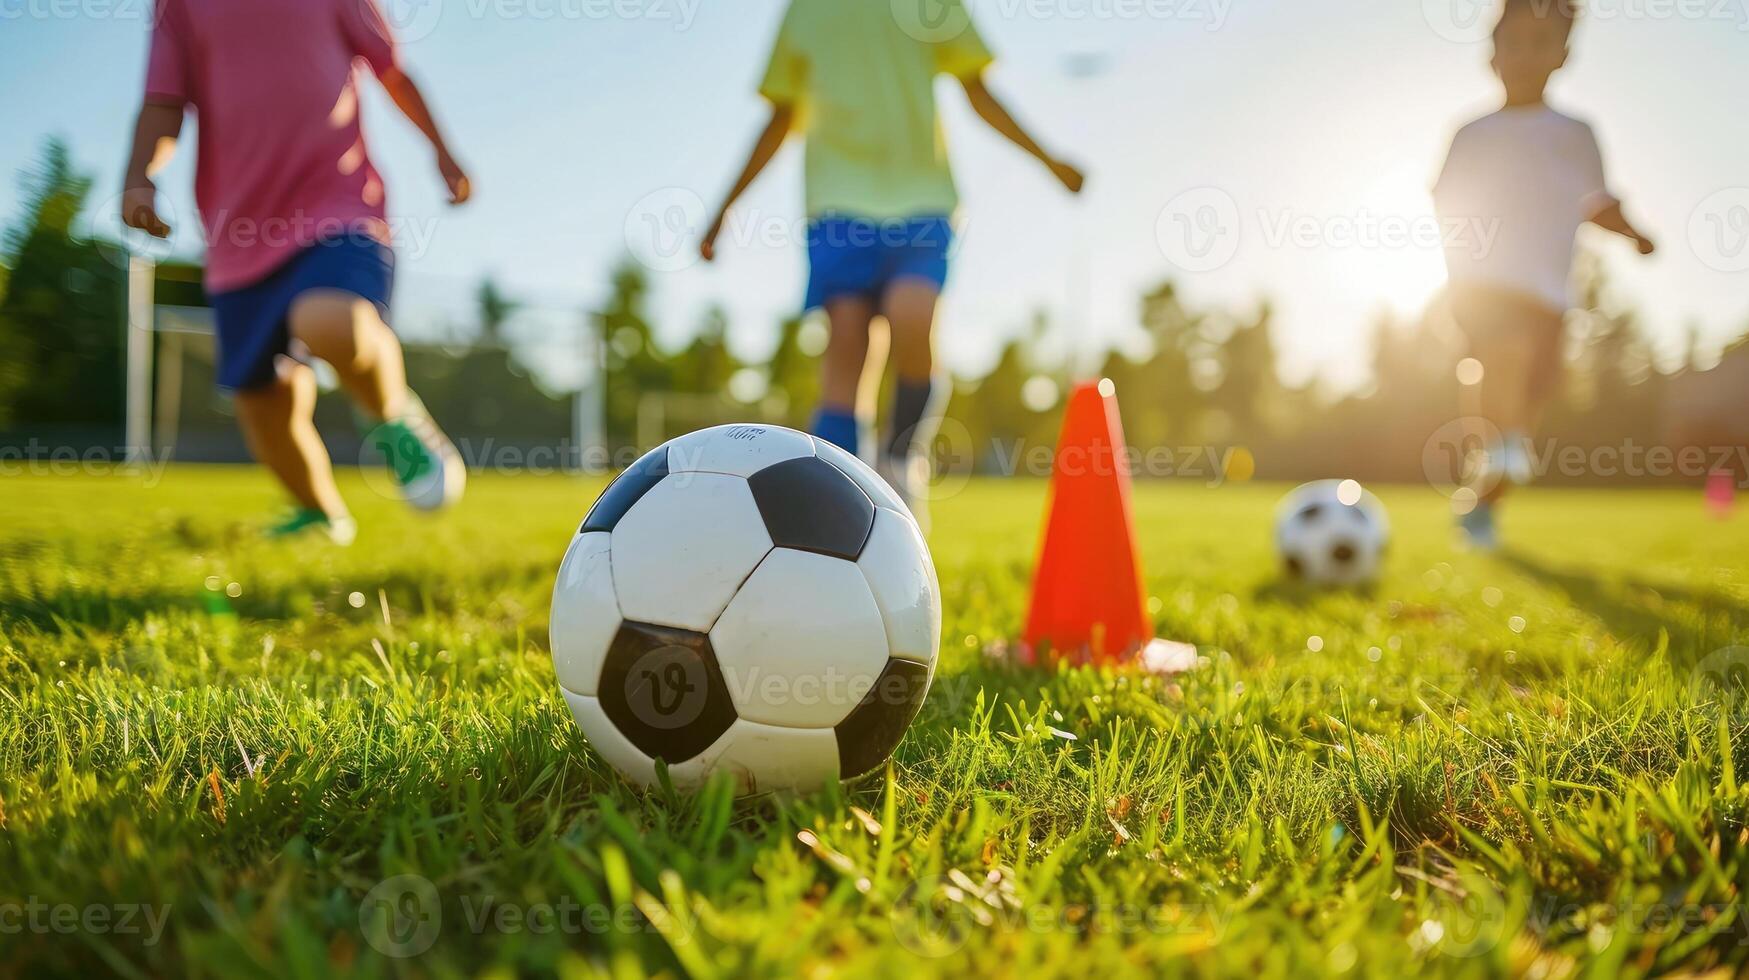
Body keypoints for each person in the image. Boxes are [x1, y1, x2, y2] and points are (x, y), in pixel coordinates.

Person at [700, 0, 1083, 525]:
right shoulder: (802, 13)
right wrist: (725, 208)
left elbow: (978, 91)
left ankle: (901, 459)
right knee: (847, 351)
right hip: (837, 205)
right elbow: (780, 118)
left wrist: (1046, 158)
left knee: (912, 319)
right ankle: (832, 501)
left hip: (921, 202)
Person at [121, 0, 470, 543]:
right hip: (238, 233)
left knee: (329, 320)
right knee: (263, 403)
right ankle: (321, 513)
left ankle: (393, 411)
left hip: (338, 205)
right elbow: (164, 102)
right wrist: (139, 175)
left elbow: (392, 71)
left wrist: (442, 150)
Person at [1432, 0, 1655, 550]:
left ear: (1562, 55)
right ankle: (1499, 444)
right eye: (1513, 42)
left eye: (1539, 43)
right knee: (1499, 353)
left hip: (1550, 294)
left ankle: (1482, 506)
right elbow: (1444, 199)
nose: (1525, 55)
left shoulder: (1574, 133)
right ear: (1492, 54)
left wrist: (1634, 234)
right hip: (1481, 283)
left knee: (1524, 412)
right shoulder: (1472, 133)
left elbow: (1597, 202)